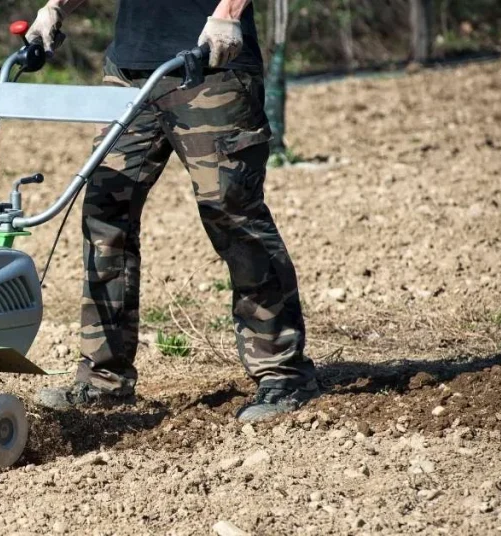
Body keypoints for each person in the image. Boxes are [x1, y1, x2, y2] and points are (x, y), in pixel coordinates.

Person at [28, 0, 320, 422]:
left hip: (213, 64)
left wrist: (229, 13)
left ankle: (284, 374)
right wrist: (55, 7)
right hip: (129, 72)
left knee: (232, 213)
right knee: (105, 214)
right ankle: (103, 381)